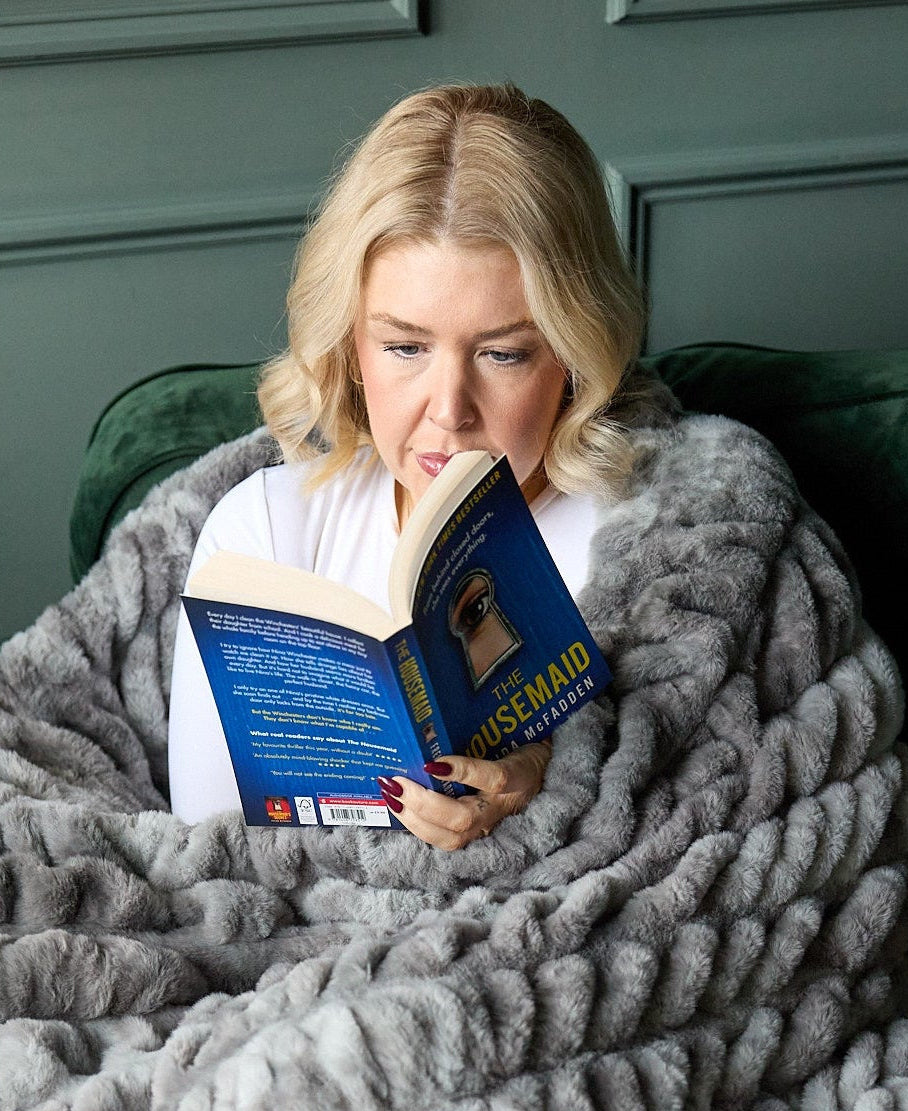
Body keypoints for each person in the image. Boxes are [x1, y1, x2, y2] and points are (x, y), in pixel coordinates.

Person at [167, 82, 651, 847]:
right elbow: (202, 849)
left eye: (503, 353)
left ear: (572, 354)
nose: (449, 408)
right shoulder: (264, 531)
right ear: (350, 347)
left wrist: (550, 780)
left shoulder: (644, 544)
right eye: (404, 347)